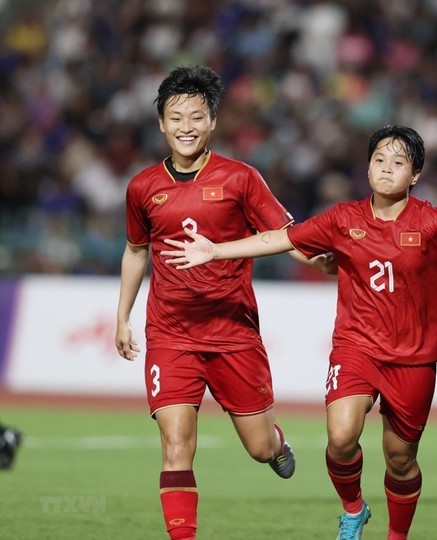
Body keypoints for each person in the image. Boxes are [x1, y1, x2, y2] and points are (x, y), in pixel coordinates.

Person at [161, 125, 437, 540]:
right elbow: (281, 238)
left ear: (415, 175)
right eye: (378, 160)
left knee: (401, 458)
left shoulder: (434, 222)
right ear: (367, 167)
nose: (385, 169)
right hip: (356, 348)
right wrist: (216, 250)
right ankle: (353, 510)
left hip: (413, 359)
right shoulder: (343, 218)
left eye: (397, 162)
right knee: (340, 436)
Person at [115, 65, 329, 540]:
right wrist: (123, 317)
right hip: (170, 333)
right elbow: (135, 251)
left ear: (212, 122)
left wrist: (319, 262)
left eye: (196, 116)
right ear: (161, 124)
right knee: (175, 444)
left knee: (256, 447)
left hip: (233, 332)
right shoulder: (142, 187)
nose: (185, 126)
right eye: (175, 117)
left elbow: (283, 234)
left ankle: (276, 445)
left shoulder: (241, 179)